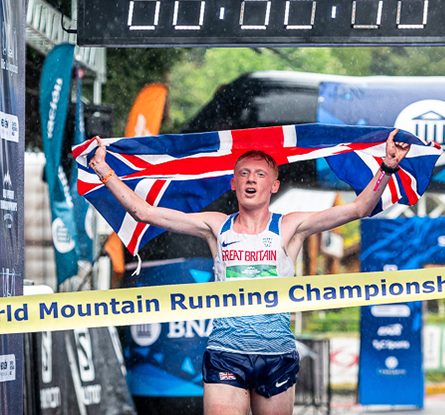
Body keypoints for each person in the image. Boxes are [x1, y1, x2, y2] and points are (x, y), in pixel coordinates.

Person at [88, 129, 410, 415]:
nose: (251, 179)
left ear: (274, 185)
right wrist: (103, 169)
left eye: (259, 174)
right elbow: (143, 212)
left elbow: (359, 209)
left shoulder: (289, 226)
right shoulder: (215, 225)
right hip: (226, 353)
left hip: (277, 355)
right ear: (233, 182)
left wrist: (388, 167)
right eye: (243, 173)